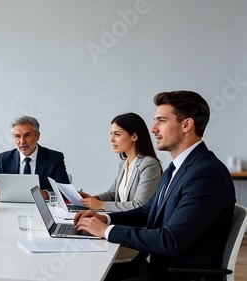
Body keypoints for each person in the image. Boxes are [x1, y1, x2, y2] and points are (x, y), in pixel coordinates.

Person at [74, 91, 236, 281]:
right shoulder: (177, 167)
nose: (153, 129)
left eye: (162, 121)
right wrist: (105, 219)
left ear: (187, 125)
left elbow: (171, 240)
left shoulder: (206, 174)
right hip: (152, 266)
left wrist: (106, 231)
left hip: (174, 275)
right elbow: (146, 211)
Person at [80, 112, 162, 212]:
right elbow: (113, 194)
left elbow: (140, 205)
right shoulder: (124, 164)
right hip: (122, 223)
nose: (112, 139)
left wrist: (101, 205)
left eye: (117, 134)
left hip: (138, 226)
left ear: (134, 137)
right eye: (111, 134)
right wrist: (94, 199)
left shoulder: (149, 165)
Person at [0, 116, 70, 199]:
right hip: (10, 209)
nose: (22, 141)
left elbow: (66, 192)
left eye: (27, 135)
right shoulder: (4, 158)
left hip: (42, 209)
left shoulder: (54, 158)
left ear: (37, 136)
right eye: (17, 136)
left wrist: (46, 194)